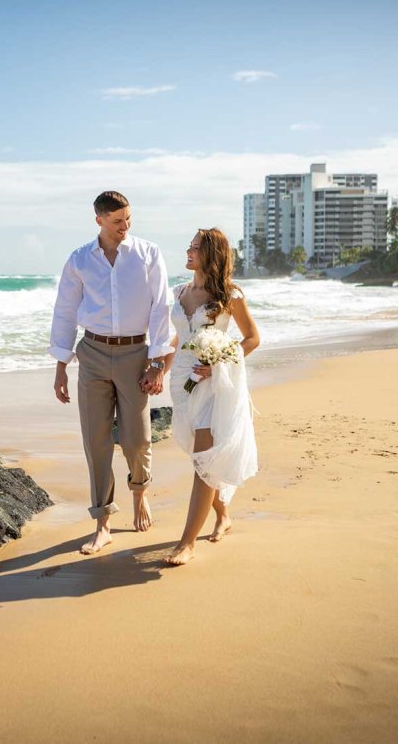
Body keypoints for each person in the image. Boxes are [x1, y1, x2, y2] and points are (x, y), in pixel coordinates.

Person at [49, 191, 173, 554]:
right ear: (99, 220)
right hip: (92, 354)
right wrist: (60, 368)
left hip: (136, 353)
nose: (125, 227)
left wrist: (157, 363)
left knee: (136, 440)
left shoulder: (148, 254)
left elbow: (161, 309)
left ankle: (139, 494)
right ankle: (102, 523)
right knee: (96, 441)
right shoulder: (79, 260)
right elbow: (65, 313)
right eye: (118, 221)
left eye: (128, 220)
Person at [163, 228, 260, 566]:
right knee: (200, 458)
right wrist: (160, 366)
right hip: (182, 383)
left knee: (204, 455)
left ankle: (187, 542)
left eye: (195, 248)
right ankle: (223, 514)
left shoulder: (229, 295)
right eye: (188, 247)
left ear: (212, 254)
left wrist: (220, 361)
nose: (188, 252)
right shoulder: (179, 292)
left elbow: (251, 339)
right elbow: (177, 338)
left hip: (214, 383)